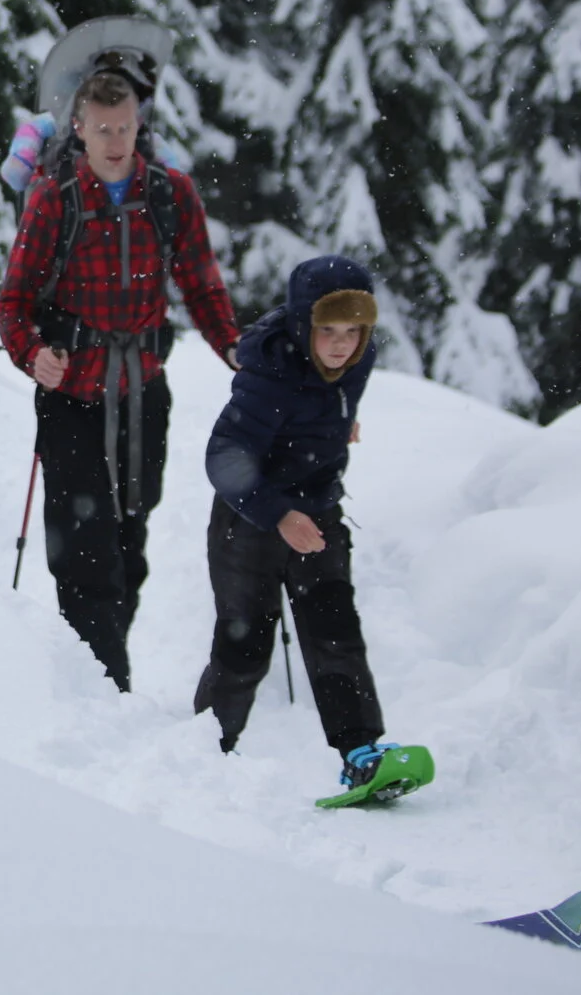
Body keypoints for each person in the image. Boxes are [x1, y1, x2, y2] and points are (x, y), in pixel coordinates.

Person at [0, 69, 241, 691]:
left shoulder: (169, 193)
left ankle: (102, 659)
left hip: (142, 392)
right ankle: (105, 684)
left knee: (130, 539)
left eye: (125, 128)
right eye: (102, 129)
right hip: (72, 396)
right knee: (83, 547)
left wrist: (235, 349)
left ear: (139, 126)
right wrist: (32, 355)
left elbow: (202, 284)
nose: (114, 141)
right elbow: (13, 303)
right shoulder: (56, 197)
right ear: (78, 128)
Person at [193, 253, 399, 790]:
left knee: (336, 636)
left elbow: (332, 396)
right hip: (251, 520)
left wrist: (338, 423)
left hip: (320, 510)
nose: (340, 344)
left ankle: (362, 755)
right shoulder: (270, 374)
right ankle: (202, 755)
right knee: (244, 647)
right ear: (303, 324)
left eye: (353, 330)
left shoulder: (360, 357)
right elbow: (223, 457)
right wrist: (279, 514)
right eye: (327, 329)